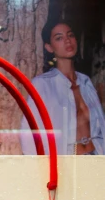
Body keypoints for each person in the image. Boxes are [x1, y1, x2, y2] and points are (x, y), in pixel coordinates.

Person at [20, 19, 105, 155]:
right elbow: (30, 135)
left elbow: (101, 126)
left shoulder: (85, 82)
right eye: (59, 38)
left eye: (70, 35)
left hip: (96, 160)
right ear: (49, 47)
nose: (67, 41)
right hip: (67, 165)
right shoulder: (42, 84)